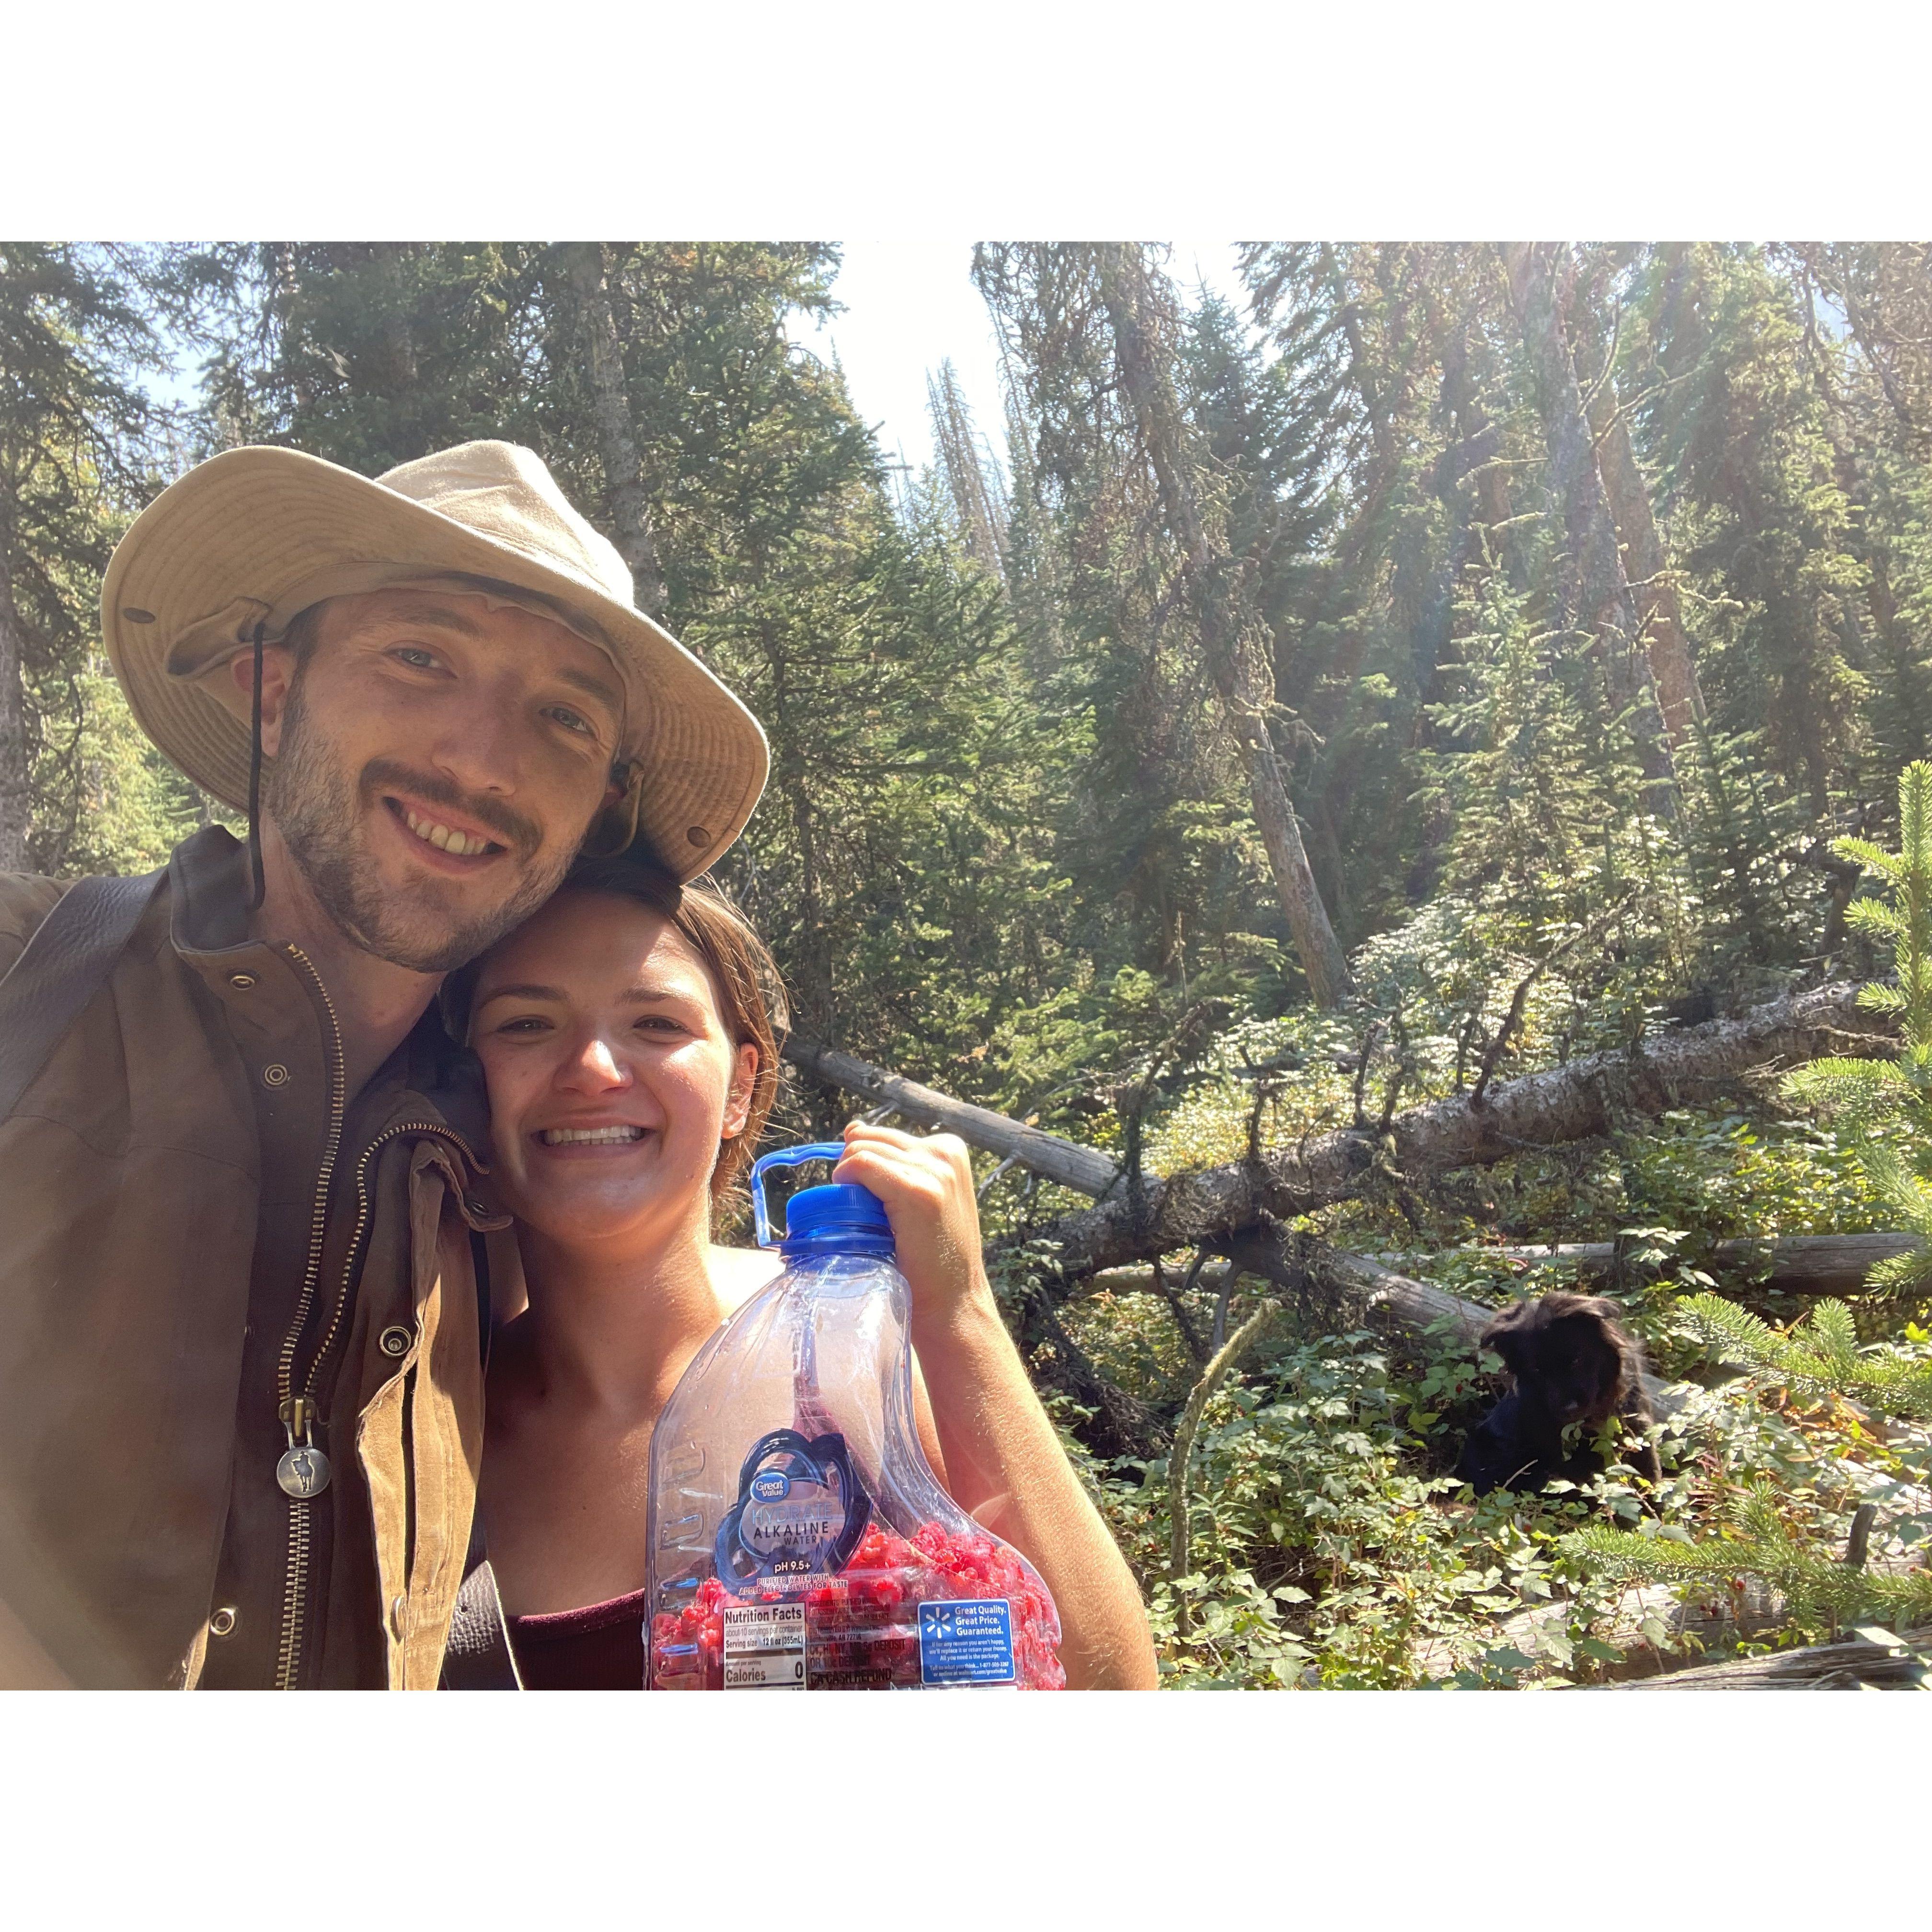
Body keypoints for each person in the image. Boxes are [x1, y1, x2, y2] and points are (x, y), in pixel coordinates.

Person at [0, 440, 768, 1689]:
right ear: (269, 688)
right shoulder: (26, 980)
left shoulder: (514, 1145)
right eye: (422, 658)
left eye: (564, 716)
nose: (483, 758)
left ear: (596, 812)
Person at [451, 852, 1160, 1690]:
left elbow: (1108, 1691)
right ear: (463, 1079)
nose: (596, 1070)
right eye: (526, 1025)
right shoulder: (421, 1424)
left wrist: (960, 1310)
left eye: (657, 1025)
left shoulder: (862, 1354)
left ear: (742, 1086)